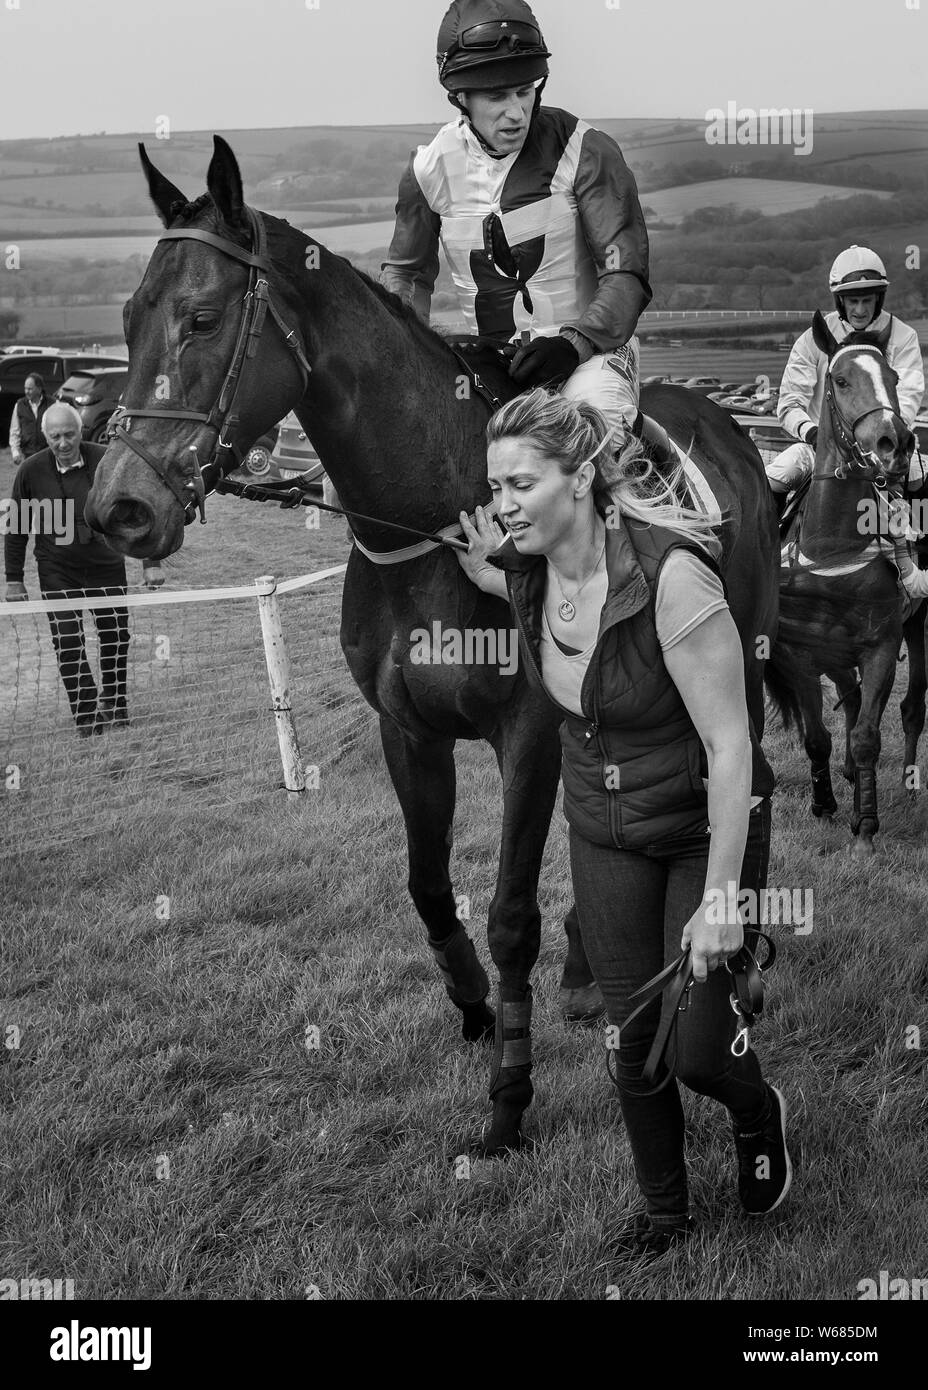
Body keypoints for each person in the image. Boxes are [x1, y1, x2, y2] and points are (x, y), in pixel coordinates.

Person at [457, 387, 790, 1253]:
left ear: (579, 480)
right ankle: (665, 1210)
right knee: (628, 1034)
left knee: (697, 1050)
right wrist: (482, 567)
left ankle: (757, 1112)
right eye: (496, 487)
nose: (501, 504)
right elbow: (507, 577)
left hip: (702, 829)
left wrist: (722, 900)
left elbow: (732, 749)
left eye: (520, 484)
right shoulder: (527, 571)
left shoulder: (673, 580)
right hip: (605, 834)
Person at [380, 0, 652, 444]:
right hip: (488, 361)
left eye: (525, 91)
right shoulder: (428, 169)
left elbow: (626, 274)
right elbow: (407, 275)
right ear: (460, 97)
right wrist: (409, 353)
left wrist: (574, 343)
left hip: (590, 357)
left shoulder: (589, 150)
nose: (516, 112)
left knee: (591, 445)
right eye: (497, 96)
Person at [4, 402, 164, 736]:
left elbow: (140, 508)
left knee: (116, 638)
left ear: (81, 432)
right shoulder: (31, 472)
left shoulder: (107, 460)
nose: (63, 443)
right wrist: (14, 579)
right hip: (57, 569)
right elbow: (17, 525)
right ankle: (88, 717)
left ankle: (116, 706)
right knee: (67, 642)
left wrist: (150, 561)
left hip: (106, 565)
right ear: (45, 436)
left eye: (69, 434)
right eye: (55, 436)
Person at [9, 373, 52, 465]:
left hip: (49, 455)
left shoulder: (52, 404)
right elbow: (14, 431)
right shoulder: (19, 405)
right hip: (28, 455)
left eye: (30, 389)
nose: (26, 391)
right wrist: (15, 452)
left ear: (39, 389)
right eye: (25, 388)